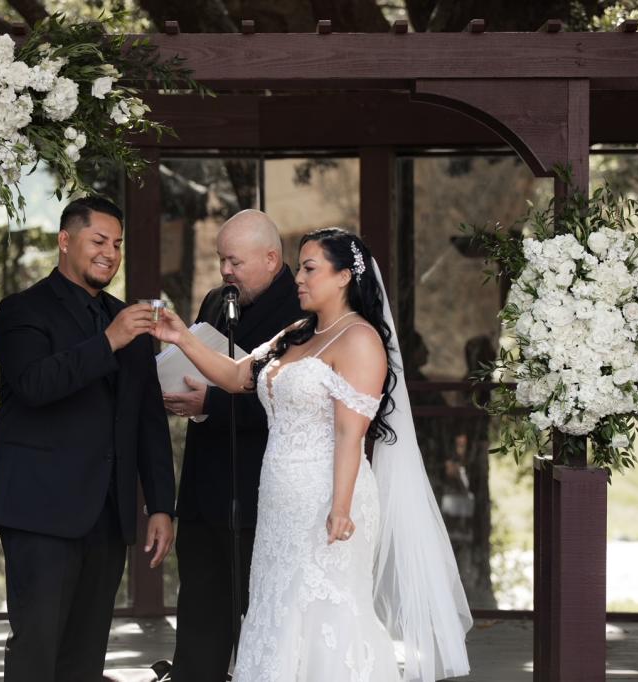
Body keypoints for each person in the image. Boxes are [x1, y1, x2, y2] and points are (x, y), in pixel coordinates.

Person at [152, 227, 472, 681]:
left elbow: (349, 433)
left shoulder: (360, 339)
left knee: (324, 613)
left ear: (344, 276)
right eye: (299, 267)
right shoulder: (298, 332)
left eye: (308, 268)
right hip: (280, 502)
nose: (298, 278)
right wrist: (183, 338)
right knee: (276, 611)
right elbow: (236, 377)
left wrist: (340, 508)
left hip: (327, 498)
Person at [0, 196, 176, 682]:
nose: (110, 252)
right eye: (99, 241)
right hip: (39, 513)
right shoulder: (21, 311)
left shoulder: (127, 318)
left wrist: (160, 505)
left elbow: (148, 419)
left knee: (86, 657)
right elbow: (33, 386)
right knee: (36, 651)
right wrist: (108, 341)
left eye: (117, 244)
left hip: (107, 517)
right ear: (65, 242)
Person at [162, 210, 302, 682]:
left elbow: (300, 404)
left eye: (234, 262)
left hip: (262, 494)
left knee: (266, 625)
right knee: (199, 621)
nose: (225, 271)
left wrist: (216, 403)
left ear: (270, 258)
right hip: (204, 491)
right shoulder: (214, 302)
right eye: (221, 259)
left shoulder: (303, 312)